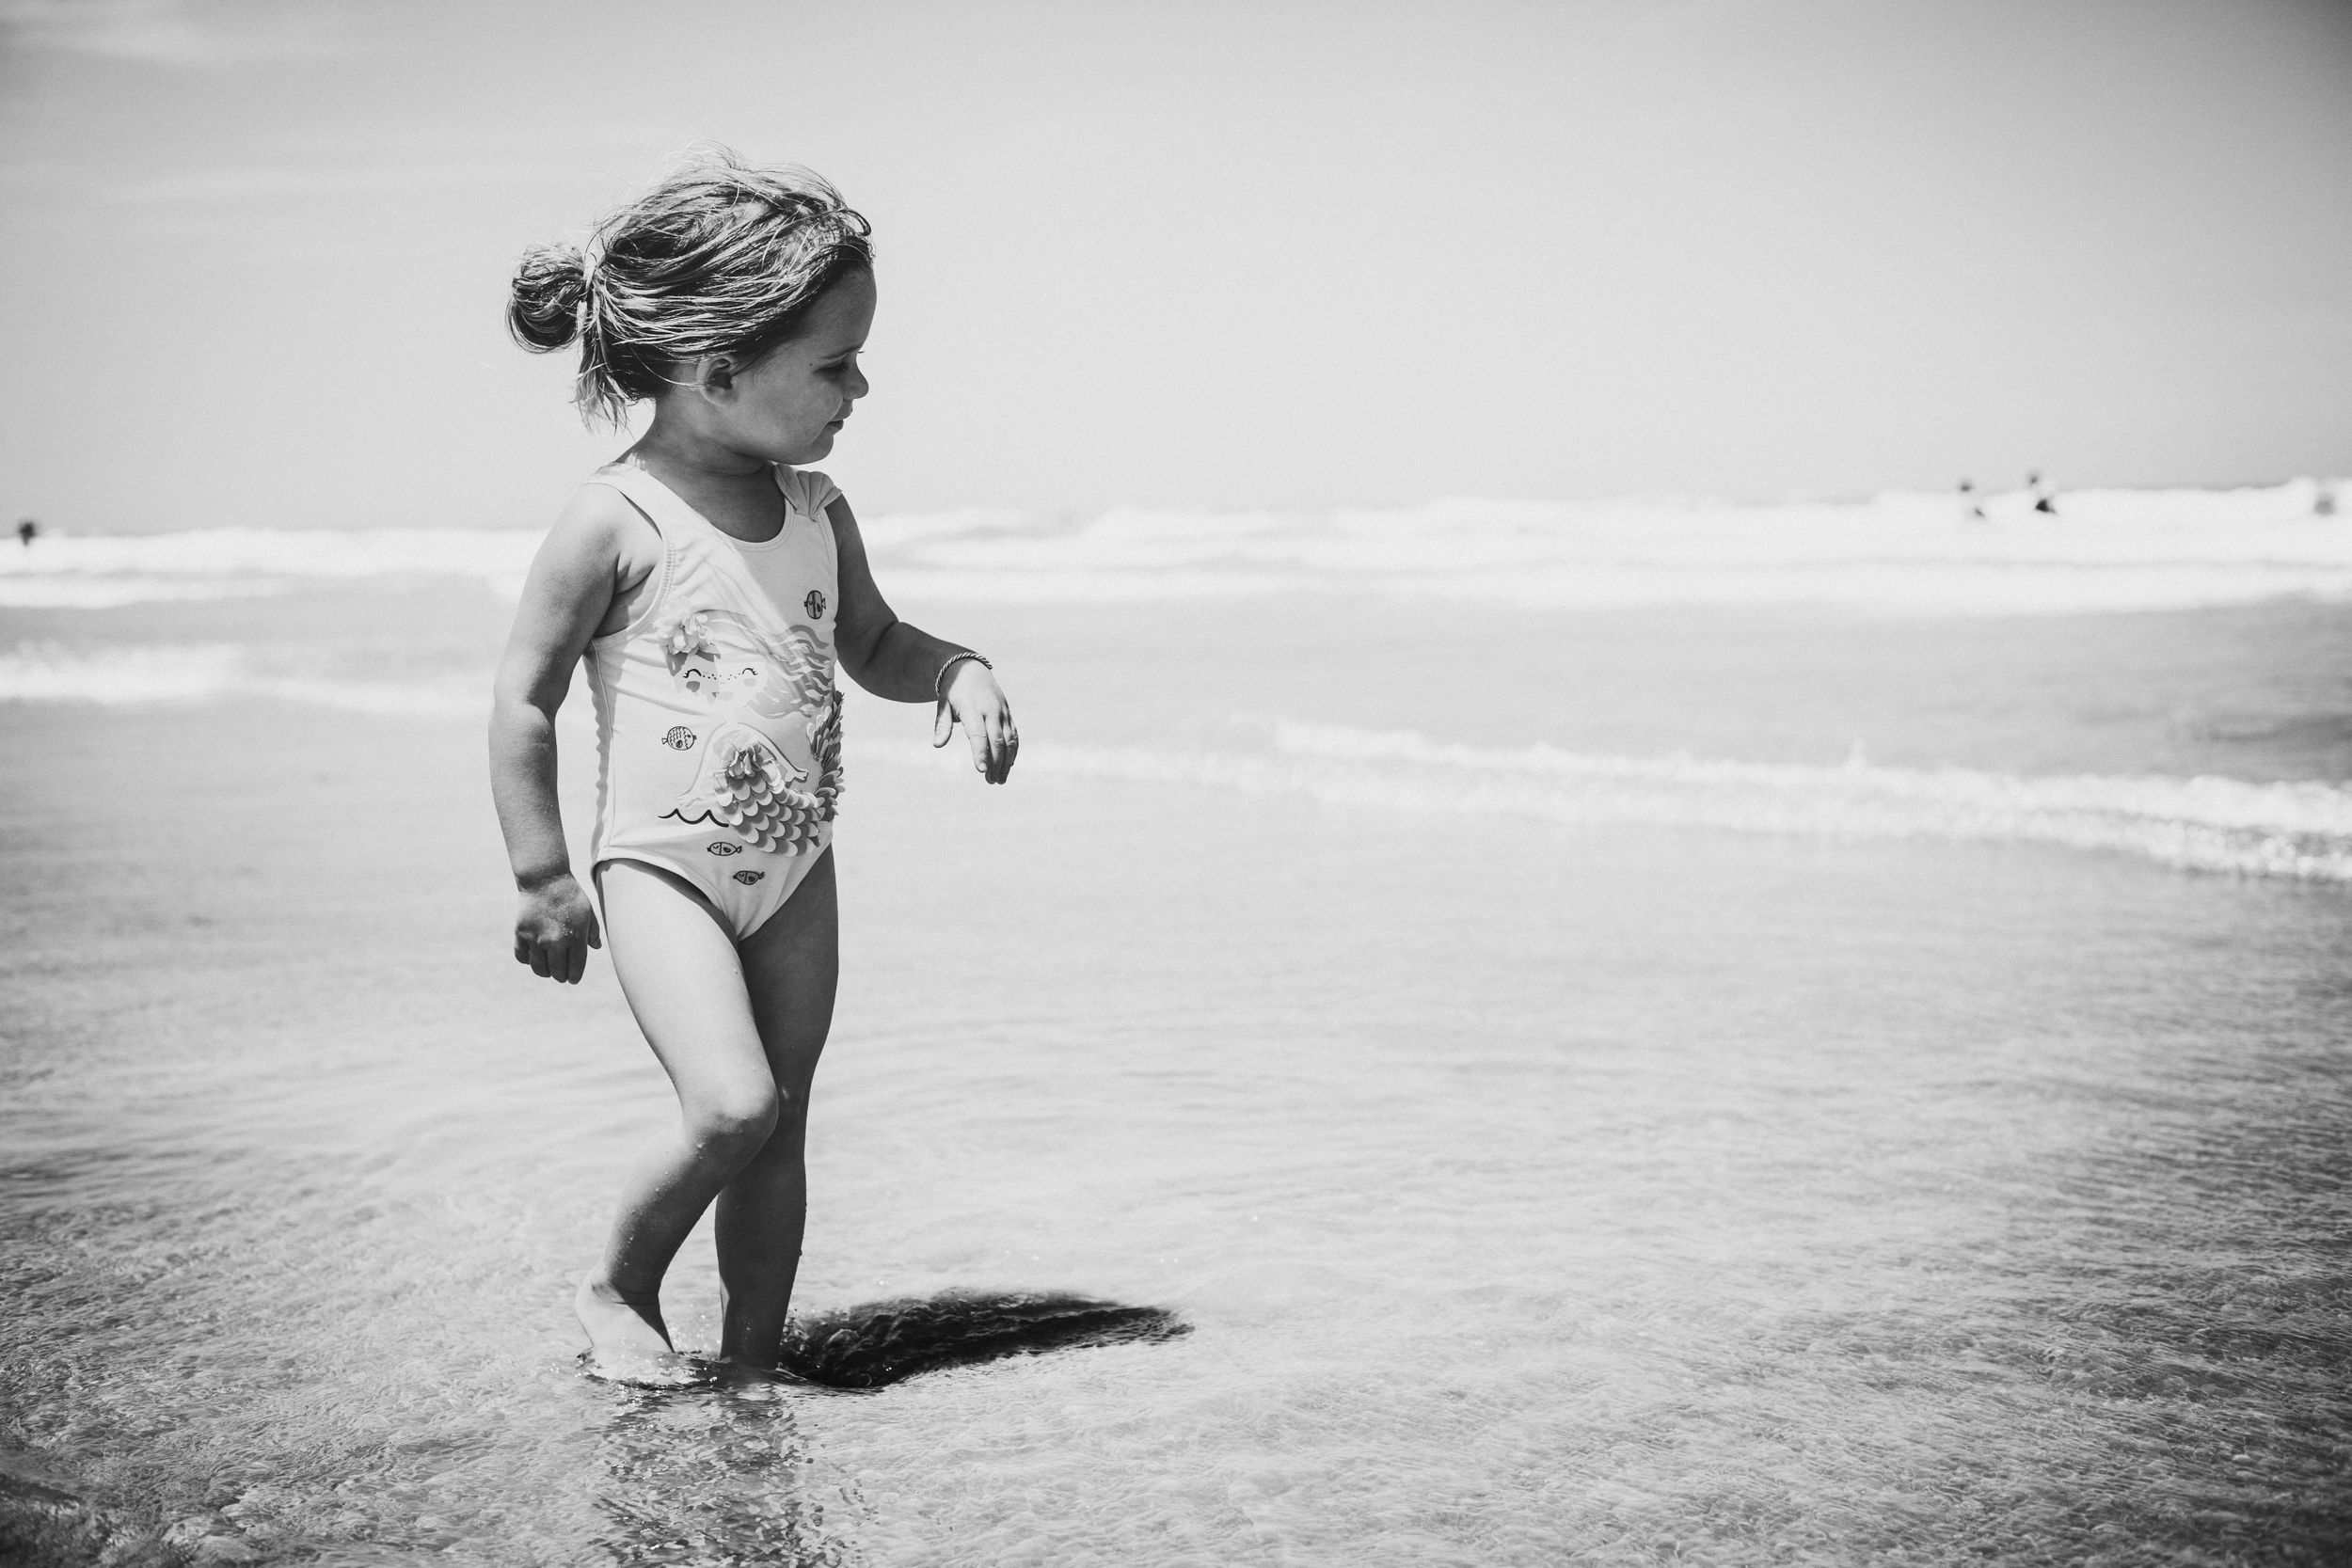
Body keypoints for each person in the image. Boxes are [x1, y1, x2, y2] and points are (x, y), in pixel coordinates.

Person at [488, 150, 1018, 1385]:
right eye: (835, 364)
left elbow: (874, 643)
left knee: (782, 1131)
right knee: (733, 1109)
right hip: (661, 871)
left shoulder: (819, 512)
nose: (862, 385)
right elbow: (524, 695)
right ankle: (617, 1284)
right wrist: (541, 872)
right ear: (719, 370)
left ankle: (754, 1366)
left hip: (794, 871)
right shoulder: (617, 521)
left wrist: (958, 672)